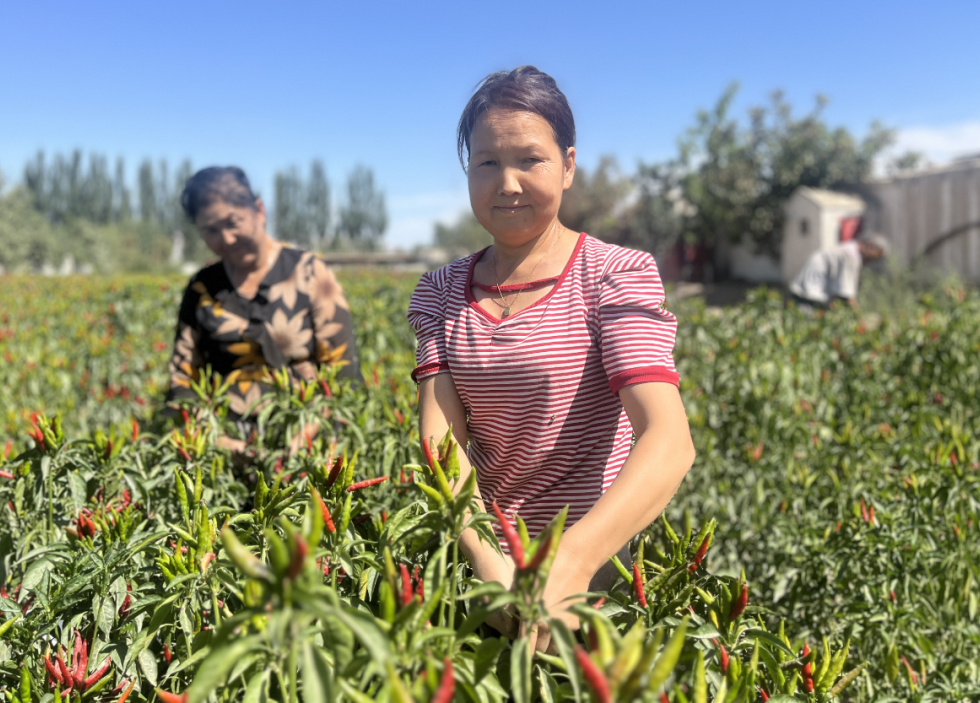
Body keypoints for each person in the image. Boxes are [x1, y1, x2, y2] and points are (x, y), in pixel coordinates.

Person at [408, 66, 694, 650]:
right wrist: (491, 565)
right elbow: (441, 441)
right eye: (486, 162)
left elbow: (668, 438)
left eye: (530, 160)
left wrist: (573, 562)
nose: (507, 183)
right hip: (482, 559)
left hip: (596, 572)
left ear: (567, 165)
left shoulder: (612, 274)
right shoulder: (441, 290)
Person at [167, 166, 361, 431]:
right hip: (224, 435)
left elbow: (343, 369)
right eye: (211, 230)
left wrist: (313, 431)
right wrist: (213, 437)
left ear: (259, 210)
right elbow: (182, 377)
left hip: (306, 431)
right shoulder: (203, 288)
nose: (227, 238)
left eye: (232, 223)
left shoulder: (310, 273)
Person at [788, 233, 888, 311]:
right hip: (811, 296)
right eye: (875, 257)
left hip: (803, 291)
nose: (872, 260)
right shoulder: (852, 257)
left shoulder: (849, 247)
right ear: (870, 247)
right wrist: (859, 319)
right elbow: (847, 295)